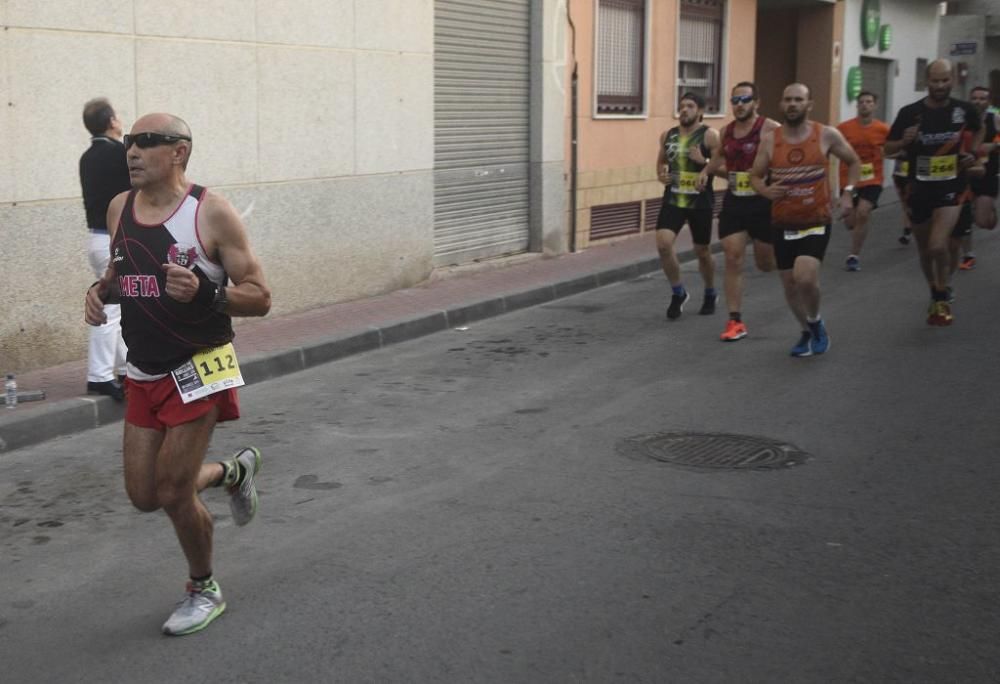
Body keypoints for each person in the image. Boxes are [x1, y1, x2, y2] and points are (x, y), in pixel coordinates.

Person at [85, 113, 272, 636]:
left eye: (147, 142)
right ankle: (232, 472)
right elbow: (121, 274)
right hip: (143, 370)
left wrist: (208, 292)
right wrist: (100, 294)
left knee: (172, 492)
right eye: (129, 143)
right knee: (145, 494)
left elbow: (260, 297)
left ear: (179, 152)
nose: (132, 152)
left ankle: (203, 587)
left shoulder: (211, 213)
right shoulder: (120, 206)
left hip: (200, 366)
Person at [750, 83, 860, 357]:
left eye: (798, 99)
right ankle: (807, 329)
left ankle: (815, 323)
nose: (792, 104)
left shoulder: (826, 135)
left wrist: (848, 193)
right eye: (788, 99)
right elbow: (754, 176)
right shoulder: (770, 140)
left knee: (805, 277)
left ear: (809, 104)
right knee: (789, 284)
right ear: (781, 105)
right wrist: (764, 189)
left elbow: (853, 161)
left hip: (816, 219)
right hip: (783, 222)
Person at [885, 59, 983, 326]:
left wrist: (971, 153)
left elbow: (979, 129)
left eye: (945, 80)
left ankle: (942, 291)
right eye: (935, 81)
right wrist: (903, 140)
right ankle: (934, 290)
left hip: (952, 186)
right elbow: (887, 149)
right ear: (926, 82)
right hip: (918, 188)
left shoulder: (964, 110)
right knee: (925, 251)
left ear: (952, 80)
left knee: (938, 244)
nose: (940, 86)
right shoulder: (910, 113)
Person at [701, 81, 779, 341]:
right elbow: (719, 161)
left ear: (757, 102)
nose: (739, 105)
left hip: (763, 202)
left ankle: (785, 258)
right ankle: (735, 321)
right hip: (735, 201)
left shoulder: (771, 129)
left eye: (745, 99)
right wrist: (705, 171)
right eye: (735, 100)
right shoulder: (726, 132)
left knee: (765, 263)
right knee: (733, 257)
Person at [79, 98, 130, 401]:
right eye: (118, 116)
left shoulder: (87, 157)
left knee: (121, 305)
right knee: (110, 307)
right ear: (112, 121)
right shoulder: (120, 154)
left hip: (97, 240)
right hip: (114, 242)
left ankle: (126, 368)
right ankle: (99, 377)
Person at [655, 92, 721, 320]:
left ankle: (710, 291)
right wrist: (661, 175)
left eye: (690, 106)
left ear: (700, 111)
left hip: (699, 201)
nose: (684, 110)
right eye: (682, 106)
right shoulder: (668, 135)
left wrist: (704, 164)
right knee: (663, 244)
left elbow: (721, 165)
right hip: (673, 199)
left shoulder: (710, 135)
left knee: (702, 251)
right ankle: (678, 292)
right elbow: (661, 162)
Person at [837, 91, 891, 271]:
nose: (865, 105)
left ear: (875, 105)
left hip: (873, 179)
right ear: (857, 105)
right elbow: (832, 147)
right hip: (848, 180)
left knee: (863, 213)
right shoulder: (844, 128)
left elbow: (894, 148)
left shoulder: (883, 129)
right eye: (861, 102)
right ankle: (850, 218)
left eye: (869, 102)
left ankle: (853, 255)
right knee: (851, 222)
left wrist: (894, 153)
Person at [958, 85, 1000, 269]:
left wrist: (993, 146)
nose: (977, 102)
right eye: (974, 98)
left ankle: (990, 214)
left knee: (982, 222)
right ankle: (968, 254)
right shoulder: (962, 121)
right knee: (964, 215)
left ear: (988, 102)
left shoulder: (995, 119)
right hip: (965, 174)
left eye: (982, 98)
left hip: (988, 175)